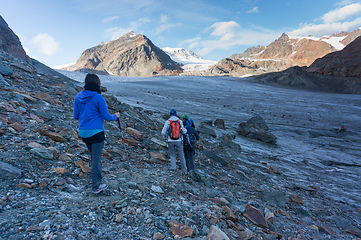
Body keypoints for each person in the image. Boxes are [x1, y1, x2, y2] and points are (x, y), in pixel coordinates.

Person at [73, 73, 120, 194]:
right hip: (96, 132)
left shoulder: (78, 97)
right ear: (97, 83)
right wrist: (116, 116)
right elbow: (107, 117)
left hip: (83, 132)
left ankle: (95, 180)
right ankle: (96, 186)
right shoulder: (98, 97)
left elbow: (75, 116)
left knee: (93, 157)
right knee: (96, 160)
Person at [162, 109, 188, 174]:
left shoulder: (168, 121)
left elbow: (163, 132)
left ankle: (173, 168)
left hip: (170, 140)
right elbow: (184, 131)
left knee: (173, 155)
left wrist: (165, 137)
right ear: (176, 114)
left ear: (170, 114)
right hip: (179, 140)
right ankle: (184, 170)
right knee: (181, 155)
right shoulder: (179, 121)